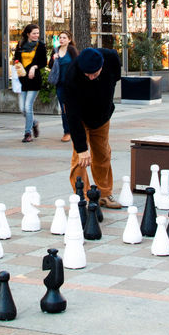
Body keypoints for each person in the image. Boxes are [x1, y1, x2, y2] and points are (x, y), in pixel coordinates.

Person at [62, 46, 122, 208]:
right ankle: (83, 197)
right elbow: (72, 116)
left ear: (102, 66)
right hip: (80, 118)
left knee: (103, 154)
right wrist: (82, 148)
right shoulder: (71, 77)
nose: (90, 77)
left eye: (94, 74)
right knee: (80, 158)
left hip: (102, 116)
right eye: (86, 74)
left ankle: (105, 194)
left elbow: (115, 77)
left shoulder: (111, 58)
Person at [13, 23, 47, 143]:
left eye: (38, 33)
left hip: (34, 80)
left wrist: (34, 67)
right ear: (28, 34)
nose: (36, 35)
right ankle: (34, 123)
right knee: (22, 108)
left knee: (28, 106)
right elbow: (16, 59)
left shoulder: (41, 46)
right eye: (34, 33)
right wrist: (17, 65)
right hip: (22, 80)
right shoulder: (21, 45)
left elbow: (44, 62)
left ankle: (27, 133)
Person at [49, 30, 78, 142]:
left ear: (69, 40)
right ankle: (67, 131)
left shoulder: (71, 50)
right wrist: (53, 59)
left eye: (64, 38)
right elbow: (50, 66)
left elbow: (77, 64)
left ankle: (75, 129)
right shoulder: (55, 50)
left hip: (72, 84)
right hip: (60, 84)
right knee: (64, 108)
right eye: (60, 37)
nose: (61, 39)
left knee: (72, 107)